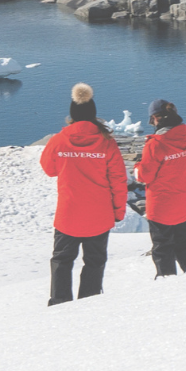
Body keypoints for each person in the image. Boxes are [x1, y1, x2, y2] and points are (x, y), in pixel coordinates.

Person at [39, 82, 127, 305]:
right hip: (99, 215)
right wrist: (117, 212)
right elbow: (118, 181)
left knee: (61, 260)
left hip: (69, 214)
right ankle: (89, 303)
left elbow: (49, 169)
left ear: (72, 116)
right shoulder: (107, 143)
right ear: (94, 115)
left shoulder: (59, 140)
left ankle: (59, 302)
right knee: (95, 262)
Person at [135, 98, 186, 278]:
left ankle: (166, 282)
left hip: (160, 206)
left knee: (162, 247)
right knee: (183, 242)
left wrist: (136, 168)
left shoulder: (156, 143)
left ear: (156, 118)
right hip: (182, 201)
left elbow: (145, 175)